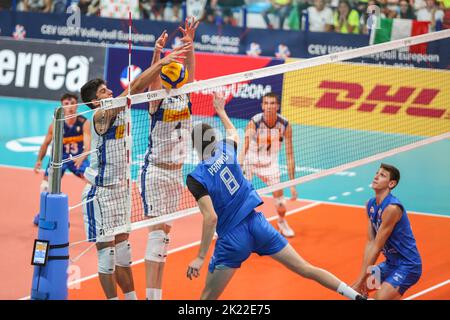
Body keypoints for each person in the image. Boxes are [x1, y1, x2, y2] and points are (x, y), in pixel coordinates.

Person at [185, 93, 366, 300]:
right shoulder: (227, 148)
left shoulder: (196, 177)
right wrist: (221, 111)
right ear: (215, 141)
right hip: (257, 224)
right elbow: (233, 132)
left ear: (194, 147)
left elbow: (211, 217)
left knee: (207, 298)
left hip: (232, 239)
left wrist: (200, 257)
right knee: (306, 268)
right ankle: (356, 297)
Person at [79, 43, 189, 300]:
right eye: (104, 90)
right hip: (101, 193)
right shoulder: (101, 117)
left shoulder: (122, 110)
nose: (109, 91)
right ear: (96, 101)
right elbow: (136, 87)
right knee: (107, 256)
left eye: (108, 88)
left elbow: (148, 90)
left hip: (121, 191)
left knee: (124, 252)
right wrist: (161, 62)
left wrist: (157, 53)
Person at [140, 17, 198, 301]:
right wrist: (158, 54)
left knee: (164, 238)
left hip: (176, 174)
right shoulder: (157, 99)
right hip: (155, 172)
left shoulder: (184, 97)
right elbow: (150, 81)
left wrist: (190, 44)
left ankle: (155, 294)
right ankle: (152, 297)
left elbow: (193, 73)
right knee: (155, 237)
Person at [352, 164, 422, 300]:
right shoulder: (370, 204)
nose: (376, 176)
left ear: (391, 183)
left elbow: (377, 247)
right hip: (390, 264)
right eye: (377, 173)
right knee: (364, 288)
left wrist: (360, 279)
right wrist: (361, 278)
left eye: (382, 175)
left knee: (379, 298)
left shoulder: (392, 209)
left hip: (408, 266)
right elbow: (370, 242)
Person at [238, 92, 297, 238]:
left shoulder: (285, 125)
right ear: (262, 106)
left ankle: (282, 222)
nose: (269, 106)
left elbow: (290, 155)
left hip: (271, 164)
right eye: (266, 103)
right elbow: (244, 146)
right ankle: (230, 225)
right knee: (239, 197)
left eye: (272, 103)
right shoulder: (255, 122)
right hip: (250, 161)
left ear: (277, 106)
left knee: (281, 202)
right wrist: (238, 167)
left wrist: (293, 184)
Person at [33, 93, 91, 225]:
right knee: (45, 185)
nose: (70, 107)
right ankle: (44, 213)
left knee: (93, 182)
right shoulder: (55, 124)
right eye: (66, 104)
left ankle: (96, 212)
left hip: (77, 159)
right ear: (61, 106)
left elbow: (88, 146)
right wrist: (39, 160)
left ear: (77, 105)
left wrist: (82, 157)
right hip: (59, 159)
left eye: (73, 103)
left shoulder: (84, 122)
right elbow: (45, 144)